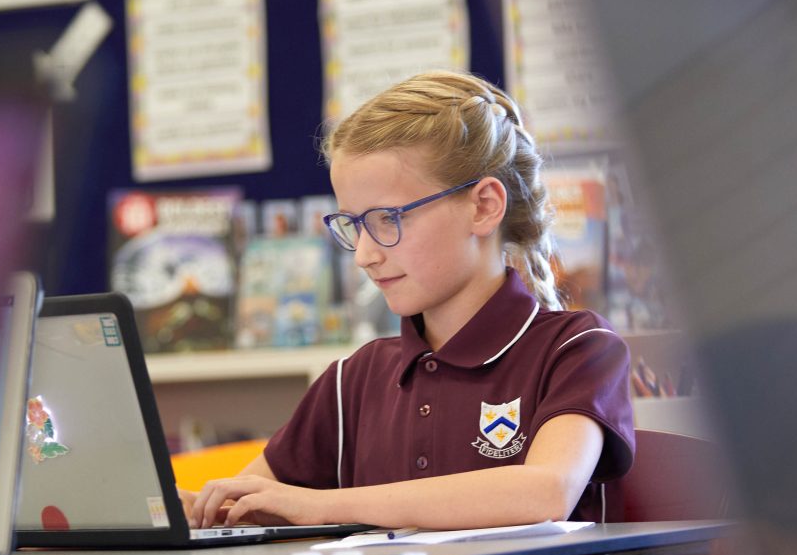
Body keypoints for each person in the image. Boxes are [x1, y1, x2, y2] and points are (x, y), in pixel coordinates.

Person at [180, 70, 635, 530]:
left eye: (387, 219)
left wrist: (319, 506)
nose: (363, 255)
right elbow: (245, 507)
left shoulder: (578, 348)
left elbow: (545, 492)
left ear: (483, 206)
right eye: (353, 224)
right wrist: (190, 510)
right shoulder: (352, 380)